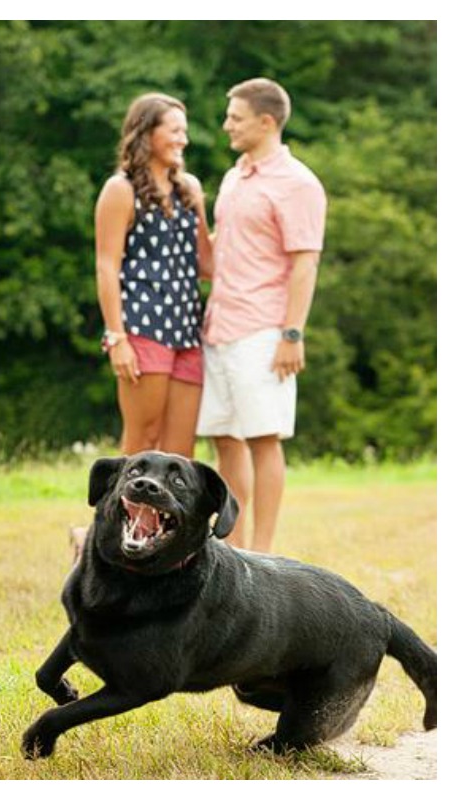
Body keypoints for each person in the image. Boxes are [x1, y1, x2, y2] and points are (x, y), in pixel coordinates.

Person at [197, 77, 327, 553]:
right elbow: (217, 253)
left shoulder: (298, 184)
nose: (226, 124)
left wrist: (292, 333)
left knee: (262, 440)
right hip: (219, 328)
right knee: (225, 440)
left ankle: (264, 556)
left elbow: (305, 262)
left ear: (266, 121)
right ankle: (234, 550)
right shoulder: (234, 178)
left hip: (264, 331)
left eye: (235, 117)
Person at [95, 92, 212, 458]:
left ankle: (169, 519)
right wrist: (117, 338)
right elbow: (106, 266)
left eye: (185, 131)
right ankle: (114, 518)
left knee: (179, 454)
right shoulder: (120, 189)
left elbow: (207, 264)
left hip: (188, 332)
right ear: (146, 133)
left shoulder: (189, 189)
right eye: (175, 130)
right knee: (141, 442)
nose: (183, 139)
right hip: (143, 329)